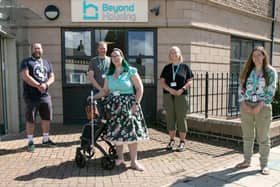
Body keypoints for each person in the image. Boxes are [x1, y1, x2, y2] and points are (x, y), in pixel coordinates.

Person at [89, 48, 149, 171]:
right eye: (113, 56)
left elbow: (139, 88)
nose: (115, 58)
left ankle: (134, 162)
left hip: (129, 105)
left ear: (122, 57)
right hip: (114, 107)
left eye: (117, 55)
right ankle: (120, 158)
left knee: (132, 135)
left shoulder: (130, 71)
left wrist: (135, 104)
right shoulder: (108, 73)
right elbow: (105, 91)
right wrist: (93, 97)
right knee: (117, 134)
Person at [235, 46, 277, 175]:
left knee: (263, 137)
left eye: (259, 55)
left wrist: (260, 105)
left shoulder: (270, 71)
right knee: (247, 136)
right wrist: (243, 103)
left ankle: (264, 165)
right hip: (246, 105)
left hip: (263, 107)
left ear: (264, 56)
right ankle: (247, 160)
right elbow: (240, 88)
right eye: (254, 55)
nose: (256, 57)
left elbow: (271, 89)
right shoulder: (248, 70)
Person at [20, 43, 56, 152]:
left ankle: (45, 139)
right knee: (31, 119)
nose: (37, 50)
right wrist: (38, 85)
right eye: (35, 48)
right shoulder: (26, 62)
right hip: (31, 96)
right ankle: (30, 142)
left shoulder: (47, 62)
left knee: (46, 118)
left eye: (39, 48)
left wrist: (46, 85)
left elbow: (52, 76)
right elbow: (25, 76)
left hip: (44, 95)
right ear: (32, 50)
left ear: (42, 50)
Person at [160, 46, 193, 152]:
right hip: (168, 95)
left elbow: (190, 80)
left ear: (179, 54)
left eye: (175, 52)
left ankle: (182, 142)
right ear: (169, 55)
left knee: (181, 118)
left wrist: (182, 89)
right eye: (171, 52)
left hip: (181, 95)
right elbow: (162, 82)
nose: (173, 54)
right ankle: (172, 140)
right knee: (170, 117)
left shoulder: (185, 67)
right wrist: (170, 90)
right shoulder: (167, 67)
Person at [88, 41, 110, 115]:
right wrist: (101, 89)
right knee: (98, 113)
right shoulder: (93, 61)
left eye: (104, 48)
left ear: (106, 49)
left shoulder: (111, 61)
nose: (102, 50)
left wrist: (105, 89)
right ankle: (99, 126)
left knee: (109, 112)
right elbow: (91, 77)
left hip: (109, 91)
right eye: (100, 48)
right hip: (97, 90)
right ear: (98, 49)